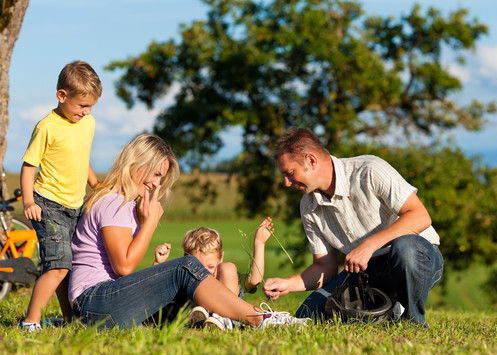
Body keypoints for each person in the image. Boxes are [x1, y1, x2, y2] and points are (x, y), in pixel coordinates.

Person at [68, 134, 308, 330]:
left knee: (190, 289)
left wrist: (143, 221)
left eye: (161, 177)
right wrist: (150, 223)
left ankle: (225, 318)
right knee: (186, 266)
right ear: (137, 165)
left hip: (103, 305)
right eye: (156, 174)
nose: (157, 184)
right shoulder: (115, 202)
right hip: (96, 304)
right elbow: (124, 266)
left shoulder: (122, 204)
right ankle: (261, 319)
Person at [263, 127, 444, 326]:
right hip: (365, 275)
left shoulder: (370, 169)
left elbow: (420, 216)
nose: (287, 183)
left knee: (405, 248)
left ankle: (412, 321)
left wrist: (368, 246)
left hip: (417, 259)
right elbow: (325, 267)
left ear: (311, 160)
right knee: (307, 315)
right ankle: (383, 310)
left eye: (290, 173)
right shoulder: (308, 205)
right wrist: (288, 284)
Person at [19, 61, 102, 332]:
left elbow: (81, 157)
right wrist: (29, 201)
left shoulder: (87, 123)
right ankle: (31, 321)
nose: (86, 112)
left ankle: (71, 321)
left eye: (90, 106)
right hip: (47, 204)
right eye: (81, 106)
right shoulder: (46, 127)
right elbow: (29, 166)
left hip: (75, 206)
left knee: (67, 266)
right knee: (58, 265)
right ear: (62, 96)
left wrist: (96, 184)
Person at [179, 218, 274, 329]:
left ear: (221, 258)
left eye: (210, 266)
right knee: (187, 278)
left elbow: (254, 280)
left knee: (228, 267)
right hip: (194, 309)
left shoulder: (226, 275)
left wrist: (259, 242)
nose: (203, 271)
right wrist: (158, 262)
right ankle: (200, 316)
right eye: (197, 266)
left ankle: (224, 318)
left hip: (231, 315)